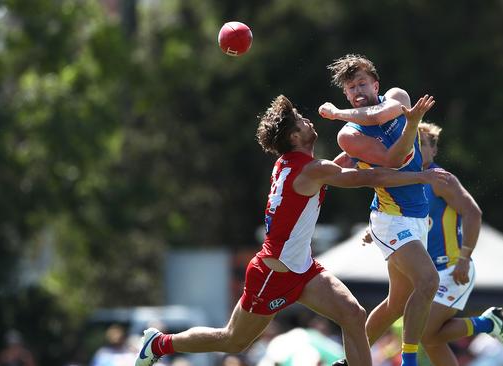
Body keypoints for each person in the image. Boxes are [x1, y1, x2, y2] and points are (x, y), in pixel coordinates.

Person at [135, 94, 448, 366]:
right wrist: (421, 177)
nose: (308, 121)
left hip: (303, 268)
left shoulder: (292, 163)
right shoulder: (312, 169)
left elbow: (335, 169)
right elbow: (369, 178)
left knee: (352, 314)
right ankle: (160, 344)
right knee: (233, 341)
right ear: (295, 137)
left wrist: (359, 150)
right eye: (300, 121)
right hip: (274, 273)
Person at [332, 122, 503, 366]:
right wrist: (373, 230)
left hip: (451, 270)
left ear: (434, 151)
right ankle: (351, 360)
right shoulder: (402, 179)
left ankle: (486, 323)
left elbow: (473, 213)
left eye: (422, 144)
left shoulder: (440, 179)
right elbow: (389, 212)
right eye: (413, 143)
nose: (416, 149)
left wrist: (464, 257)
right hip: (422, 272)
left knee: (424, 330)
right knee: (414, 323)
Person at [319, 53, 440, 365]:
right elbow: (394, 161)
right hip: (390, 218)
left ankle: (348, 361)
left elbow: (378, 118)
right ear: (345, 94)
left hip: (414, 217)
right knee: (429, 281)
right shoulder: (348, 133)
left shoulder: (397, 97)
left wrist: (410, 122)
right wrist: (337, 116)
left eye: (362, 83)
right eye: (350, 87)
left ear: (376, 84)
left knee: (397, 303)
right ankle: (409, 360)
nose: (357, 90)